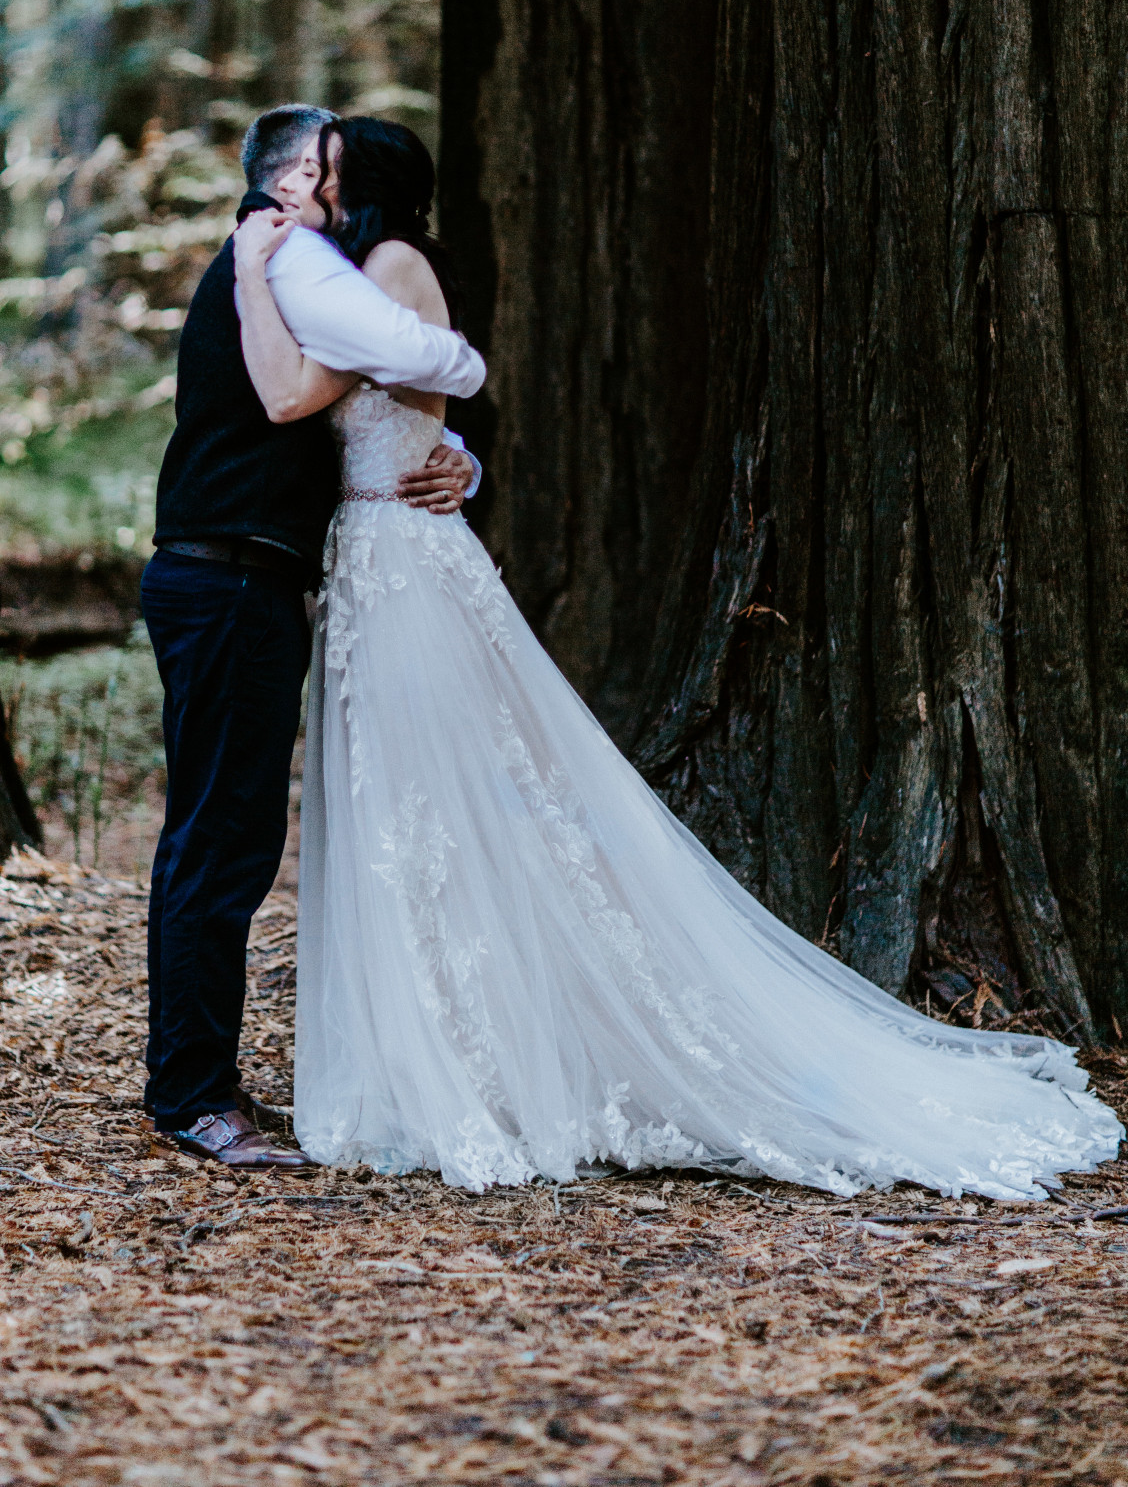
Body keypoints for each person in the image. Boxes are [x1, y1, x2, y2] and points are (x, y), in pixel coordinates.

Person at [233, 115, 1125, 1199]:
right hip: (385, 559)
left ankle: (475, 1065)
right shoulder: (379, 266)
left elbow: (353, 387)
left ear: (359, 187)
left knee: (437, 804)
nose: (307, 195)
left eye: (324, 177)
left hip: (405, 570)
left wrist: (274, 281)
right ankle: (447, 1047)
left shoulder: (382, 265)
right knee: (411, 811)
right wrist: (451, 449)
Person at [141, 105, 486, 1172]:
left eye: (337, 177)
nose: (323, 194)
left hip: (252, 576)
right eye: (316, 172)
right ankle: (192, 1094)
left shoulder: (307, 269)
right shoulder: (278, 257)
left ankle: (199, 1079)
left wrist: (451, 451)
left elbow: (377, 391)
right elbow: (311, 392)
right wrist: (457, 379)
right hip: (229, 576)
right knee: (219, 838)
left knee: (230, 834)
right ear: (289, 178)